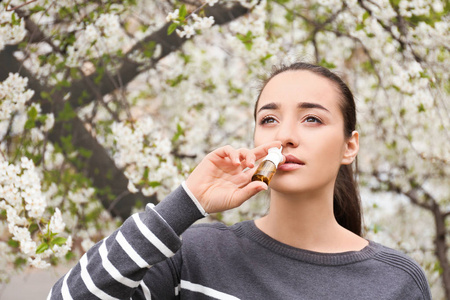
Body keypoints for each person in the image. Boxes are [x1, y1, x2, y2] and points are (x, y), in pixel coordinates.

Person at [48, 62, 431, 299]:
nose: (286, 136)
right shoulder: (195, 254)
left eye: (311, 118)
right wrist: (185, 202)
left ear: (350, 146)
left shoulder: (395, 281)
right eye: (269, 120)